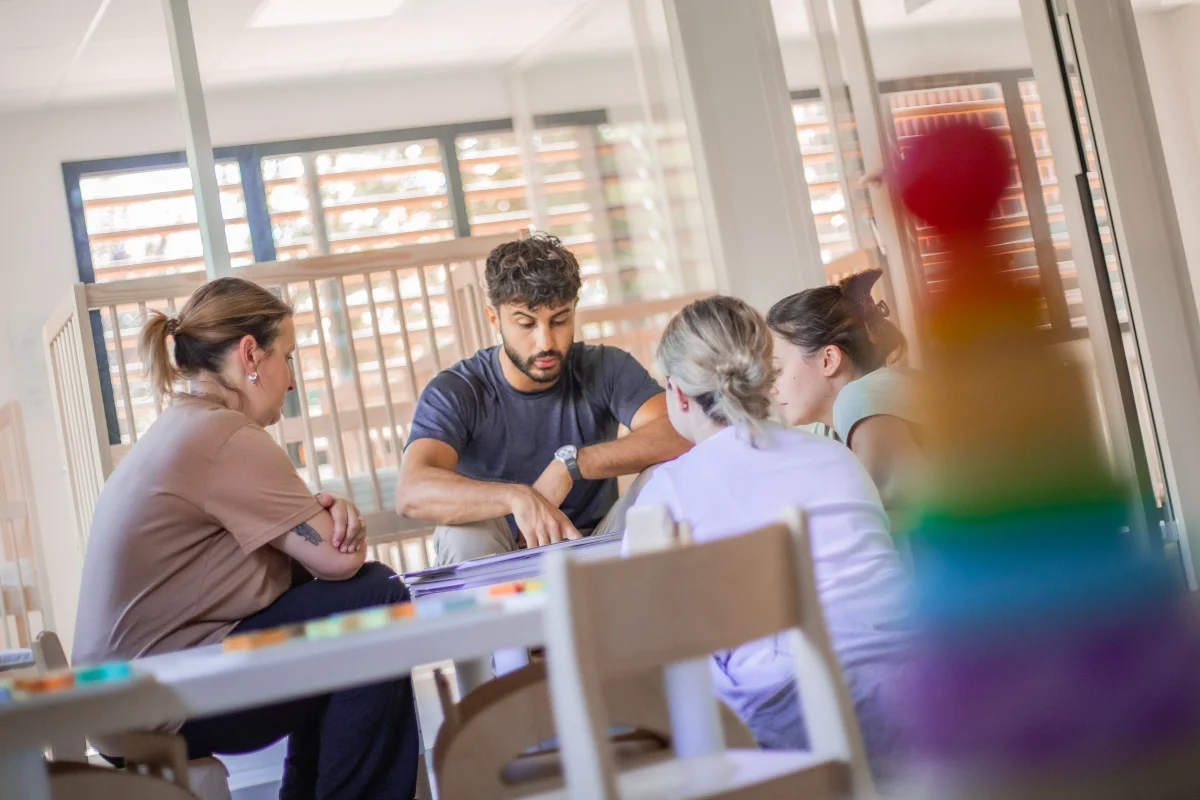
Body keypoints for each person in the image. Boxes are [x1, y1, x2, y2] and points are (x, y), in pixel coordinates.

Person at [72, 277, 419, 800]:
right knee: (375, 596)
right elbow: (340, 563)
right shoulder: (226, 437)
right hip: (154, 702)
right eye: (289, 356)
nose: (294, 381)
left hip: (120, 703)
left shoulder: (180, 428)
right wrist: (340, 518)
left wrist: (320, 530)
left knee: (331, 622)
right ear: (250, 354)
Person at [623, 295, 910, 772]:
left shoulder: (669, 489)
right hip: (916, 687)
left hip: (792, 717)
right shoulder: (836, 455)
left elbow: (645, 635)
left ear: (677, 394)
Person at [395, 233, 691, 566]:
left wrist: (571, 465)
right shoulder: (457, 390)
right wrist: (518, 498)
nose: (545, 342)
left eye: (560, 320)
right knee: (464, 531)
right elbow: (412, 492)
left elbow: (682, 431)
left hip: (598, 547)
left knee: (661, 481)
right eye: (526, 323)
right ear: (495, 318)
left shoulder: (606, 366)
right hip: (502, 557)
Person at [767, 269, 923, 510]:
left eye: (776, 371)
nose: (770, 388)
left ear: (828, 360)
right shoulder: (829, 430)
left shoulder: (860, 397)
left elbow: (882, 519)